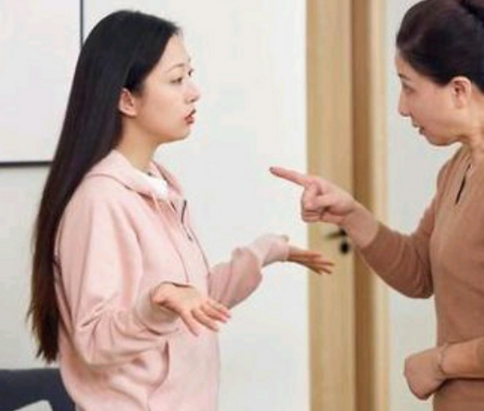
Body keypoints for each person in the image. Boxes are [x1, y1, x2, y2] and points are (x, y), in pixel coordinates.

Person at [271, 0, 484, 410]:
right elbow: (419, 271)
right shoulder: (463, 164)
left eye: (409, 87)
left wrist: (441, 362)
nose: (402, 107)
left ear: (459, 90)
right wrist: (351, 215)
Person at [28, 10, 333, 411]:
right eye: (176, 80)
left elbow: (194, 303)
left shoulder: (160, 187)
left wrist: (264, 251)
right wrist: (157, 303)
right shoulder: (100, 200)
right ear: (126, 99)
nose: (194, 92)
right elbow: (95, 340)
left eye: (190, 74)